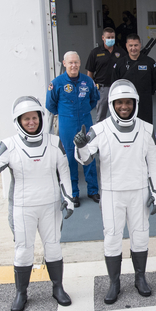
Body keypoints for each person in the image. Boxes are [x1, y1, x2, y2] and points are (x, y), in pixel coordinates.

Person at [0, 96, 75, 311]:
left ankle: (58, 287)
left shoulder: (54, 141)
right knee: (23, 250)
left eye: (34, 117)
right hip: (23, 207)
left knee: (53, 246)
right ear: (18, 121)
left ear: (41, 118)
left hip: (50, 204)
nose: (31, 122)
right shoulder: (8, 145)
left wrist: (68, 197)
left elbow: (64, 171)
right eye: (26, 119)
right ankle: (21, 293)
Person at [73, 79, 156, 304]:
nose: (124, 106)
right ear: (112, 103)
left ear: (135, 103)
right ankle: (114, 282)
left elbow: (154, 164)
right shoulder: (99, 130)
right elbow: (85, 159)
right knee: (112, 238)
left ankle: (140, 278)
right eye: (120, 102)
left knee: (140, 238)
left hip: (139, 193)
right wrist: (81, 146)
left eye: (128, 102)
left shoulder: (146, 129)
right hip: (112, 194)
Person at [46, 51, 100, 207]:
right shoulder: (57, 83)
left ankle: (93, 190)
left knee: (88, 154)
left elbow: (93, 100)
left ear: (80, 62)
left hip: (85, 121)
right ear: (64, 63)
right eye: (70, 63)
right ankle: (73, 193)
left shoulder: (88, 81)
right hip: (66, 124)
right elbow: (50, 105)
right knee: (69, 158)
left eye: (76, 62)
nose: (73, 65)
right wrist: (65, 114)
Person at [113, 34, 156, 125]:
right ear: (126, 46)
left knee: (145, 125)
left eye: (136, 45)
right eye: (130, 45)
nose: (133, 48)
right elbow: (115, 82)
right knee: (127, 124)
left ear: (140, 45)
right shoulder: (120, 64)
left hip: (144, 100)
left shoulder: (150, 62)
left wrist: (146, 92)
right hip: (126, 101)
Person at [86, 27, 127, 122]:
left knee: (119, 114)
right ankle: (100, 136)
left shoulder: (121, 52)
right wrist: (90, 89)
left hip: (117, 87)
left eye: (112, 37)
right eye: (108, 37)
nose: (110, 39)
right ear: (103, 38)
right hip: (101, 89)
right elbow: (90, 72)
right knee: (101, 116)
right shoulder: (95, 52)